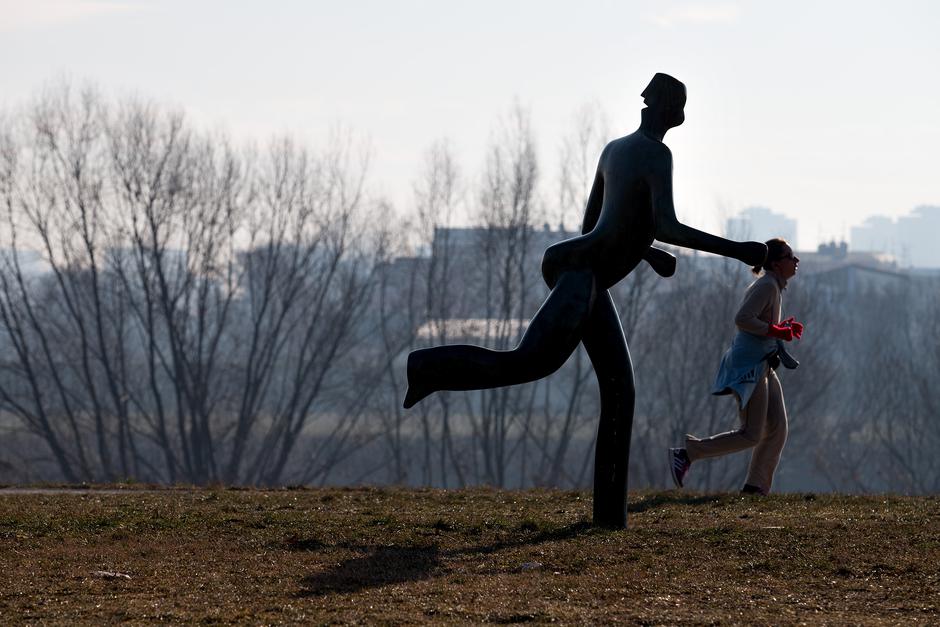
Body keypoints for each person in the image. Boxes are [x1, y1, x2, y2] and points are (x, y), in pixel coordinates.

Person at [403, 73, 767, 409]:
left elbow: (594, 225)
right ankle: (424, 367)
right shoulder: (657, 154)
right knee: (526, 362)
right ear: (672, 111)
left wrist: (647, 253)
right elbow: (667, 226)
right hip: (582, 272)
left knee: (620, 386)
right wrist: (737, 250)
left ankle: (610, 482)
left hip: (581, 267)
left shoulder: (615, 149)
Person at [669, 238, 804, 495]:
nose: (796, 261)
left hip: (763, 365)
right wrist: (775, 329)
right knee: (752, 434)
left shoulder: (773, 285)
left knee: (777, 428)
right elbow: (742, 318)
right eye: (790, 256)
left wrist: (780, 328)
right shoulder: (766, 286)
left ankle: (755, 487)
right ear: (776, 264)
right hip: (748, 368)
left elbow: (758, 323)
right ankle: (687, 453)